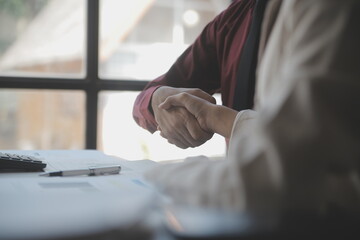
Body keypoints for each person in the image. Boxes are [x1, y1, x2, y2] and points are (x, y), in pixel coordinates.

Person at [144, 0, 360, 215]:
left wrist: (150, 179)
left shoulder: (326, 8)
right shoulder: (233, 19)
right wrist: (157, 99)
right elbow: (297, 134)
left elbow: (279, 173)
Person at [133, 0, 258, 149]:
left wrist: (213, 117)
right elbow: (146, 98)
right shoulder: (233, 19)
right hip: (234, 169)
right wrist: (157, 98)